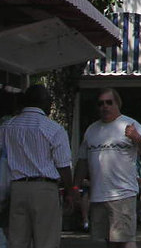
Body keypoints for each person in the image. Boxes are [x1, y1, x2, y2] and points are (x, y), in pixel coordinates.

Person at [74, 88, 141, 248]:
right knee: (106, 241)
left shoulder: (129, 124)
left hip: (122, 194)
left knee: (125, 241)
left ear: (117, 103)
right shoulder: (91, 130)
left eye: (109, 102)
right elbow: (82, 161)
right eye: (101, 103)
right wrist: (75, 187)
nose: (105, 106)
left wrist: (137, 138)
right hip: (98, 196)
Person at [0, 84, 77, 248]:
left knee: (17, 240)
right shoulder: (53, 129)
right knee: (46, 240)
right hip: (44, 188)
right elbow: (63, 165)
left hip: (17, 187)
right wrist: (70, 191)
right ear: (45, 103)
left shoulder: (7, 127)